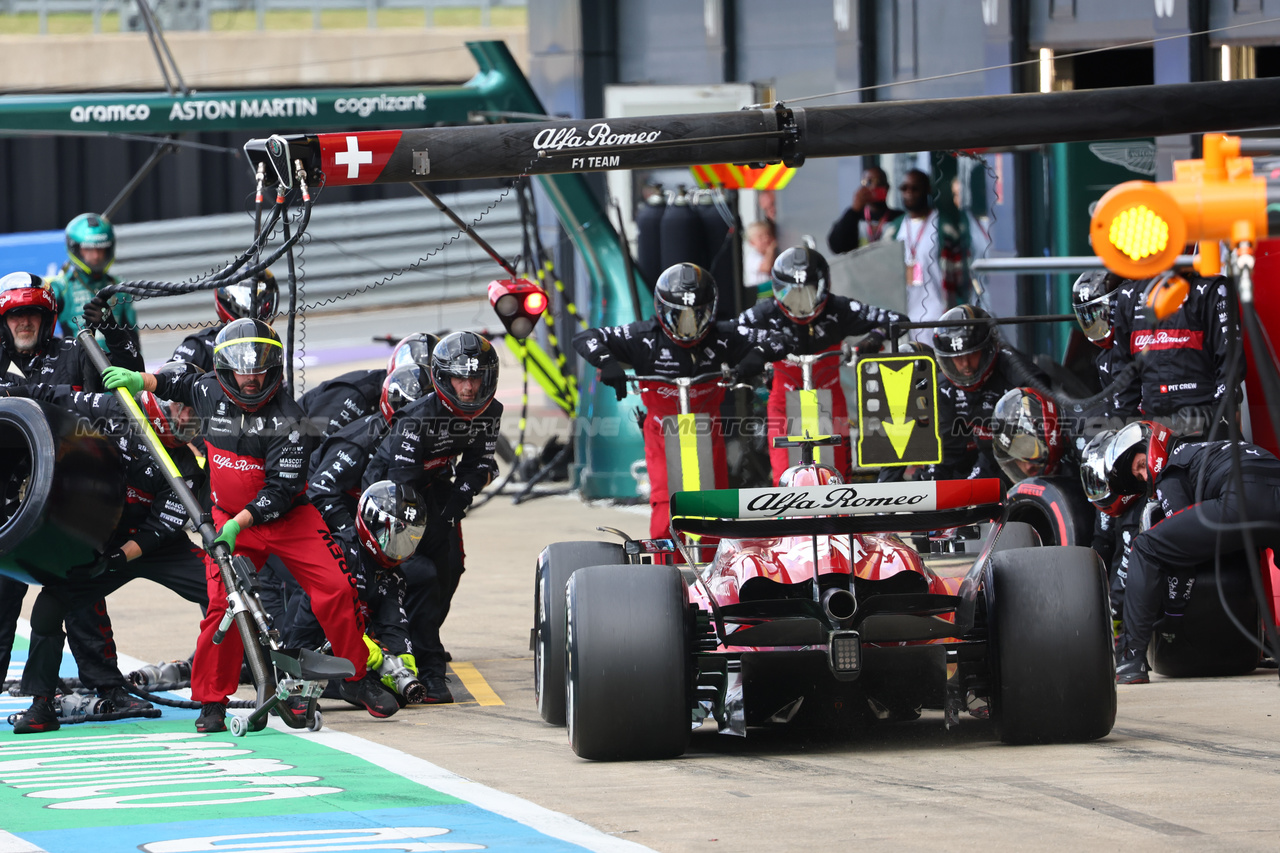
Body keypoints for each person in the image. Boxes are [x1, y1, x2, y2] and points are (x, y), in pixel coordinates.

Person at [101, 318, 399, 731]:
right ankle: (211, 702)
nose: (251, 378)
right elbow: (180, 385)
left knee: (337, 589)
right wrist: (141, 380)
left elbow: (279, 491)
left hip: (288, 519)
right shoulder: (208, 390)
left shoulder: (291, 420)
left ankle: (355, 677)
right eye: (242, 368)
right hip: (229, 520)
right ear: (225, 369)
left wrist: (237, 523)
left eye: (259, 367)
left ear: (273, 367)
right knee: (222, 609)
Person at [0, 375, 209, 733]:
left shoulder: (189, 465)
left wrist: (120, 558)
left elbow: (160, 529)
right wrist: (10, 393)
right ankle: (41, 705)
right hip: (102, 539)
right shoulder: (116, 409)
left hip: (151, 545)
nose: (188, 417)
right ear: (161, 403)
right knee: (49, 608)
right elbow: (54, 393)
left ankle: (245, 680)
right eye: (181, 407)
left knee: (221, 588)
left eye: (194, 411)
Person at [573, 263, 788, 537]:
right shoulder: (644, 337)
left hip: (708, 431)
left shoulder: (724, 335)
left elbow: (781, 338)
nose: (689, 326)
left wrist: (756, 356)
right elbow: (586, 337)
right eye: (679, 316)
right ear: (662, 309)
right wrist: (607, 362)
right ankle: (667, 570)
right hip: (662, 433)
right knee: (666, 510)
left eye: (698, 316)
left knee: (716, 509)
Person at [1080, 421, 1280, 684]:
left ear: (1148, 445)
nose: (1144, 474)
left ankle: (1131, 659)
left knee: (1146, 547)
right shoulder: (1207, 446)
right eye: (1139, 475)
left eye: (1140, 465)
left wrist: (1174, 613)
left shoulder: (1170, 470)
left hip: (1239, 498)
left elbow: (1180, 551)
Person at [363, 331, 503, 704]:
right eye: (460, 378)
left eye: (475, 378)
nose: (469, 388)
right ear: (443, 378)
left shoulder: (492, 412)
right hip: (391, 495)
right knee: (420, 575)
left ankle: (422, 642)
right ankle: (427, 668)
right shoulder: (415, 418)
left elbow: (482, 466)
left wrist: (459, 499)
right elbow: (402, 483)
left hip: (436, 490)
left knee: (451, 568)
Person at [737, 246, 905, 481]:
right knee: (786, 482)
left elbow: (898, 321)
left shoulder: (839, 308)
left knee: (835, 480)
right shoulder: (766, 313)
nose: (800, 303)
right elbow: (728, 337)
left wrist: (874, 337)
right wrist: (750, 361)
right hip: (783, 404)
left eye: (808, 292)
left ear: (824, 287)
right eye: (791, 293)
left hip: (829, 401)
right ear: (778, 290)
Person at [1108, 269, 1240, 438]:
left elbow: (1230, 362)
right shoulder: (1129, 295)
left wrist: (1223, 415)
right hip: (1155, 429)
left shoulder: (1212, 288)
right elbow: (1123, 376)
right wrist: (1124, 432)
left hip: (1206, 422)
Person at [929, 305, 1051, 485]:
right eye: (957, 358)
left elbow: (1041, 440)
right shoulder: (943, 389)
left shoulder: (1017, 373)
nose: (965, 365)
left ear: (988, 348)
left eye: (972, 354)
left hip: (1027, 461)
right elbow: (949, 451)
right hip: (984, 456)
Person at [0, 271, 142, 390]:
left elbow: (134, 372)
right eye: (17, 315)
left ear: (46, 319)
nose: (25, 322)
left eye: (33, 314)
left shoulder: (73, 353)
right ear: (3, 322)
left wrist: (112, 331)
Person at [48, 214, 140, 358]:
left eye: (100, 249)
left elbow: (133, 339)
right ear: (76, 249)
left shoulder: (120, 288)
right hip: (77, 371)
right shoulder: (61, 288)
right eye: (89, 250)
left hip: (117, 369)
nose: (96, 256)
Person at [170, 272, 278, 372]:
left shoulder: (267, 346)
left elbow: (279, 390)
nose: (261, 307)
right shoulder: (198, 347)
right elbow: (170, 383)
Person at [827, 166, 902, 253]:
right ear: (862, 187)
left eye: (879, 182)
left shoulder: (899, 219)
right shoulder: (854, 218)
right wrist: (854, 210)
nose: (874, 186)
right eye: (869, 182)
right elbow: (837, 246)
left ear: (887, 187)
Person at [743, 220, 778, 298]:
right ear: (752, 243)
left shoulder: (771, 254)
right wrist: (771, 250)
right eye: (761, 237)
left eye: (768, 234)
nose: (766, 238)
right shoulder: (752, 257)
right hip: (759, 294)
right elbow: (766, 267)